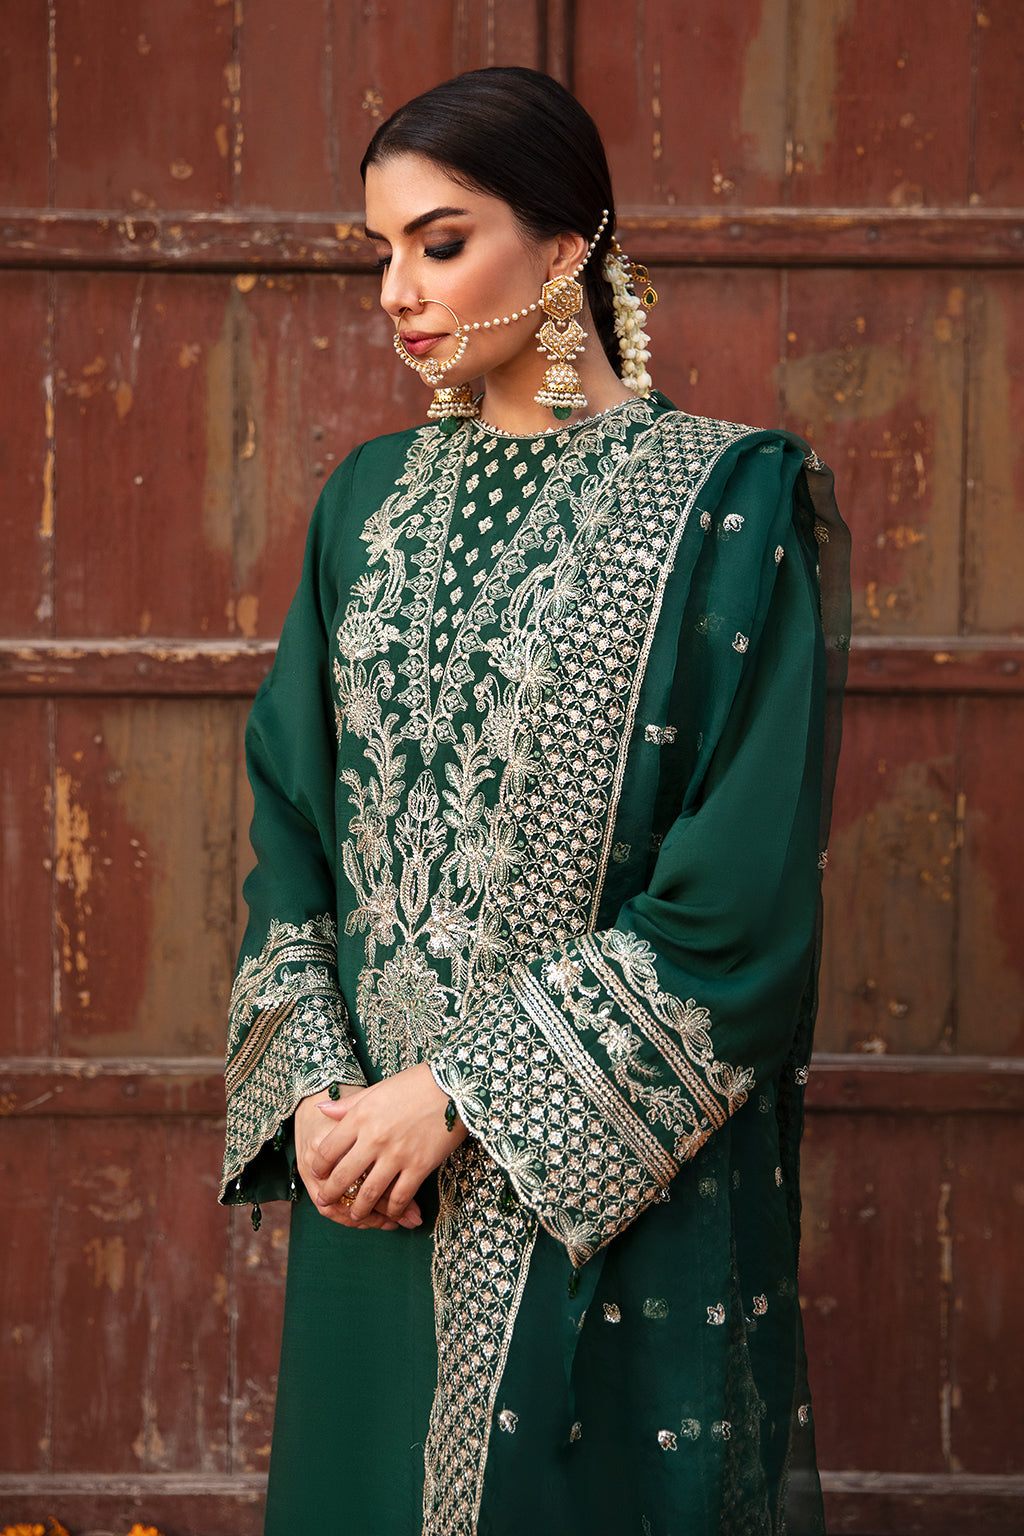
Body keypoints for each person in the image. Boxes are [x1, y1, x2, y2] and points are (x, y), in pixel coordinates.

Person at [219, 65, 850, 1536]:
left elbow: (742, 899)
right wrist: (319, 1094)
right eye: (379, 251)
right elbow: (292, 816)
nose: (396, 292)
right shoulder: (364, 501)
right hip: (367, 1171)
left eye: (439, 243)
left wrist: (457, 1097)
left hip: (594, 1189)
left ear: (567, 247)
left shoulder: (730, 506)